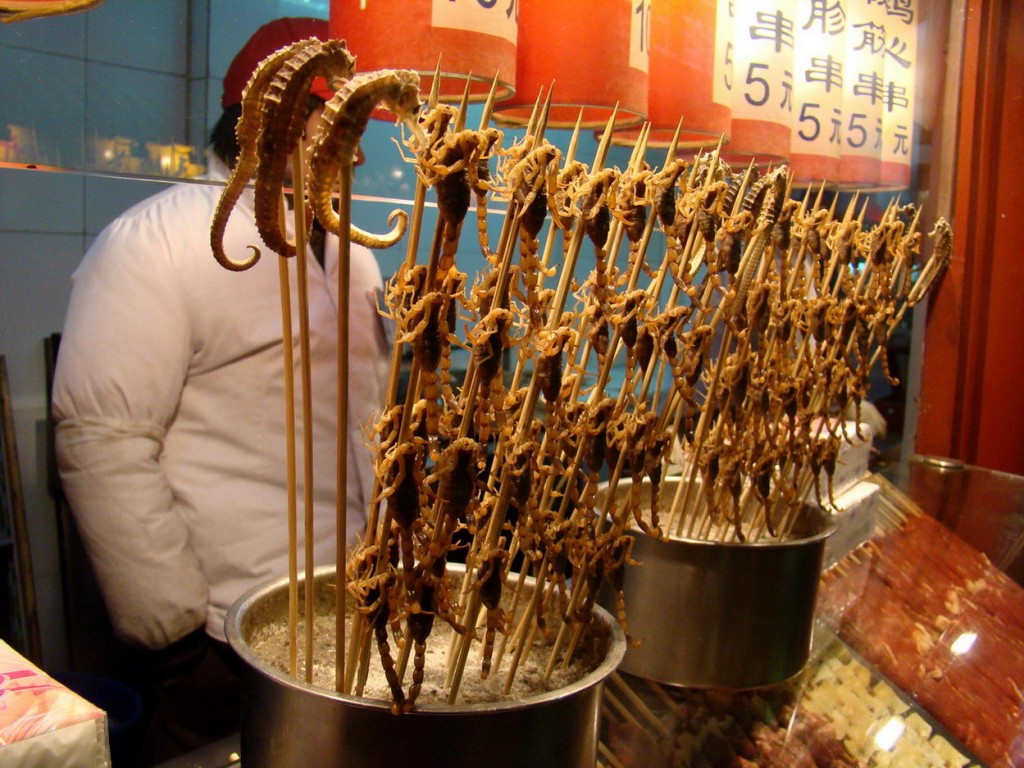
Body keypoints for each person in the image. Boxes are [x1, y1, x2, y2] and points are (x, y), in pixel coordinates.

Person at [51, 17, 390, 764]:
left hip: (349, 610)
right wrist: (173, 637)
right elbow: (101, 442)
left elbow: (368, 418)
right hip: (224, 635)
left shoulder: (354, 258)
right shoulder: (159, 242)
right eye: (343, 126)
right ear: (270, 120)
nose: (360, 152)